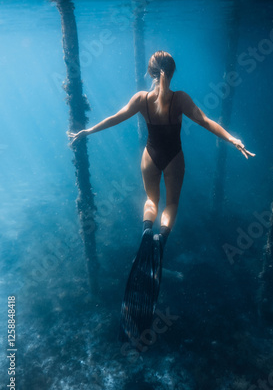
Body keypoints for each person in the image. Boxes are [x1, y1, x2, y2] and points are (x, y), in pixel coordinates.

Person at [68, 50, 255, 339]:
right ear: (173, 71)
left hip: (150, 157)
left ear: (150, 72)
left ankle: (146, 232)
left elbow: (115, 118)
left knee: (151, 200)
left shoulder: (142, 99)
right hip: (174, 158)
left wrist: (87, 131)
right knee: (173, 202)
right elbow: (205, 121)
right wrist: (233, 139)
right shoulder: (180, 99)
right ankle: (161, 240)